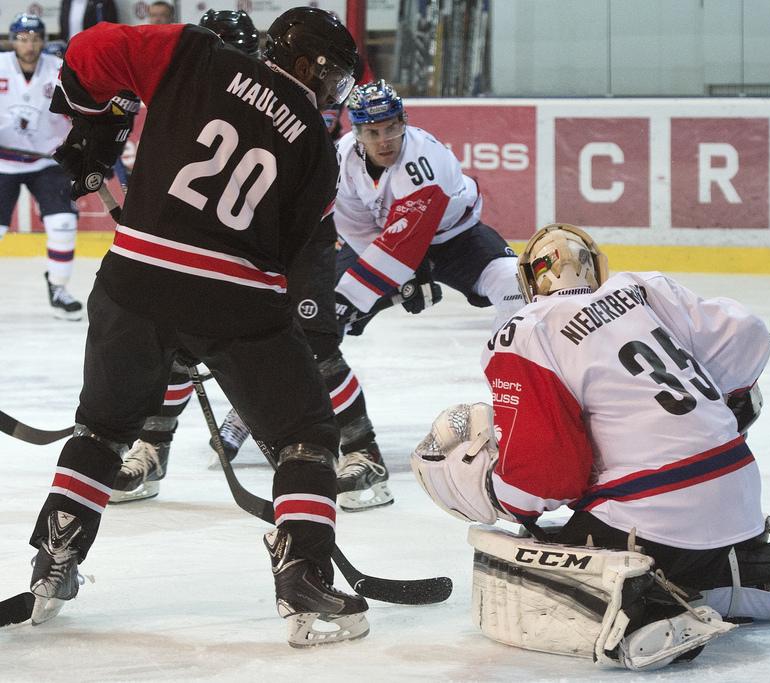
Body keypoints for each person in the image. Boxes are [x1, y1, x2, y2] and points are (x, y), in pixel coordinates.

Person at [27, 9, 371, 648]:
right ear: (305, 67)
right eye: (333, 78)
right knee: (305, 435)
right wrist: (277, 345)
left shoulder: (193, 53)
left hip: (133, 281)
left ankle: (54, 558)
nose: (333, 93)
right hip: (234, 301)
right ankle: (302, 572)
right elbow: (295, 260)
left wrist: (98, 123)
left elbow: (89, 49)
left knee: (101, 428)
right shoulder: (320, 151)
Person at [411, 224, 770, 670]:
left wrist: (505, 499)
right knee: (647, 521)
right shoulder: (644, 289)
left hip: (656, 517)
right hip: (741, 501)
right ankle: (756, 573)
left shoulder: (526, 331)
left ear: (528, 283)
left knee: (523, 562)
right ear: (596, 269)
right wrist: (727, 395)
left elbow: (550, 476)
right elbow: (745, 332)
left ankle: (646, 612)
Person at [211, 80, 524, 513]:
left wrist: (360, 294)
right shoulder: (341, 159)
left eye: (391, 127)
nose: (384, 139)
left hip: (456, 240)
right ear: (356, 132)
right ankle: (253, 411)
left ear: (404, 122)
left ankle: (521, 411)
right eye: (372, 131)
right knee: (313, 326)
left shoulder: (424, 160)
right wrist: (360, 296)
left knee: (515, 288)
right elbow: (358, 232)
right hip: (383, 247)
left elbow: (404, 246)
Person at [107, 8, 267, 504]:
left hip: (257, 256)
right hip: (190, 253)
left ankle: (312, 449)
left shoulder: (273, 110)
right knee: (169, 350)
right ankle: (153, 448)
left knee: (275, 353)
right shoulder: (179, 98)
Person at [0, 14, 81, 320]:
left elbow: (79, 108)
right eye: (22, 38)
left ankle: (58, 288)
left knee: (62, 224)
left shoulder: (58, 68)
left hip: (47, 160)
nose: (29, 44)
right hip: (3, 163)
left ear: (43, 41)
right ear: (12, 40)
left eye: (35, 38)